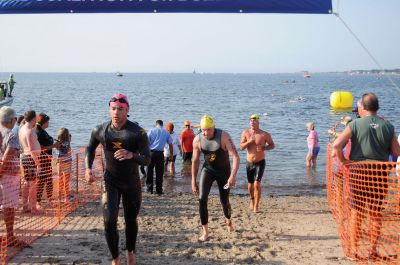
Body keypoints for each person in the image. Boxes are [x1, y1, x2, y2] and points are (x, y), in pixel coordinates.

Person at [332, 93, 400, 260]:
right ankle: (373, 251)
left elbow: (336, 144)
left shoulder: (355, 124)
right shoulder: (388, 126)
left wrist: (345, 162)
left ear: (362, 107)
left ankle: (354, 251)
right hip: (380, 173)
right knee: (376, 214)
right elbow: (397, 152)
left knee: (357, 212)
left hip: (359, 172)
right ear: (377, 107)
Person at [85, 93, 150, 265]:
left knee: (130, 220)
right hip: (110, 181)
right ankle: (115, 259)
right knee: (109, 221)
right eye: (113, 109)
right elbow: (90, 149)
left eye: (120, 109)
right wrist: (87, 168)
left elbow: (147, 159)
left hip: (131, 183)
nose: (116, 112)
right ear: (109, 109)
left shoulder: (137, 132)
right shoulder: (100, 130)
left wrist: (131, 155)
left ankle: (130, 252)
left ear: (127, 110)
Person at [191, 114, 240, 242]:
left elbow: (235, 157)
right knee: (202, 200)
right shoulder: (197, 140)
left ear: (214, 127)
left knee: (224, 201)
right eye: (203, 130)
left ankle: (228, 220)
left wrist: (232, 176)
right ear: (200, 129)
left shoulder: (224, 136)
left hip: (224, 172)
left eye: (209, 129)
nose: (206, 133)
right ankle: (205, 232)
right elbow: (195, 161)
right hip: (208, 170)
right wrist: (193, 181)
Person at [0, 106, 26, 247]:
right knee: (9, 208)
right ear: (12, 119)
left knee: (3, 206)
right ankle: (10, 237)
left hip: (3, 174)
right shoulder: (10, 134)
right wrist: (2, 170)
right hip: (8, 175)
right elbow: (9, 153)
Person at [239, 114, 275, 213]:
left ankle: (256, 206)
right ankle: (252, 199)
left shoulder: (264, 134)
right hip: (249, 162)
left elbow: (272, 145)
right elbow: (241, 147)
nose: (252, 123)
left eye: (254, 121)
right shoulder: (246, 133)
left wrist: (264, 148)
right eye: (251, 121)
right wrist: (248, 142)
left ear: (258, 122)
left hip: (260, 162)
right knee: (250, 185)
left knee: (257, 184)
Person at [19, 110, 42, 213]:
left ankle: (25, 206)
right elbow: (32, 150)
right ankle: (33, 208)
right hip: (30, 159)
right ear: (33, 118)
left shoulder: (22, 128)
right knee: (32, 184)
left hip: (24, 157)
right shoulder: (30, 130)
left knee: (26, 183)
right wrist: (38, 164)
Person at [36, 113, 60, 205]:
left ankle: (50, 199)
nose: (49, 123)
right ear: (44, 122)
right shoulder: (38, 132)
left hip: (47, 159)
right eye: (48, 121)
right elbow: (41, 148)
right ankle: (38, 201)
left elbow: (47, 142)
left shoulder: (42, 130)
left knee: (49, 180)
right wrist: (54, 146)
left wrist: (55, 143)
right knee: (41, 180)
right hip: (42, 159)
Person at [146, 120, 173, 195]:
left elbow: (146, 142)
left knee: (149, 171)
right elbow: (170, 144)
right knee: (159, 172)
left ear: (156, 124)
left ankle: (149, 189)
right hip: (160, 154)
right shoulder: (166, 132)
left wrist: (145, 153)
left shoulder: (151, 130)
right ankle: (159, 190)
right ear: (162, 124)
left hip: (151, 153)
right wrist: (171, 154)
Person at [56, 128, 72, 202]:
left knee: (60, 180)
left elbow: (59, 151)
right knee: (66, 181)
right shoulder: (67, 142)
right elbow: (65, 151)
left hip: (60, 162)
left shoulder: (58, 143)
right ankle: (66, 197)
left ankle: (60, 197)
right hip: (66, 162)